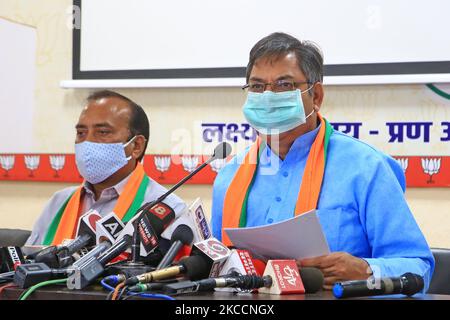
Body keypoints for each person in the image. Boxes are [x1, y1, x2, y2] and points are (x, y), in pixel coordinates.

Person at [211, 32, 434, 291]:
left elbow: (419, 267)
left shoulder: (366, 168)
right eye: (258, 87)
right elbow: (218, 271)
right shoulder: (230, 175)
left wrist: (367, 271)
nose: (268, 98)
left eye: (284, 85)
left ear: (316, 96)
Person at [26, 90, 186, 245]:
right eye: (81, 133)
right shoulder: (59, 202)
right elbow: (28, 262)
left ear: (136, 146)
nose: (87, 142)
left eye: (102, 132)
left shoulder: (167, 209)